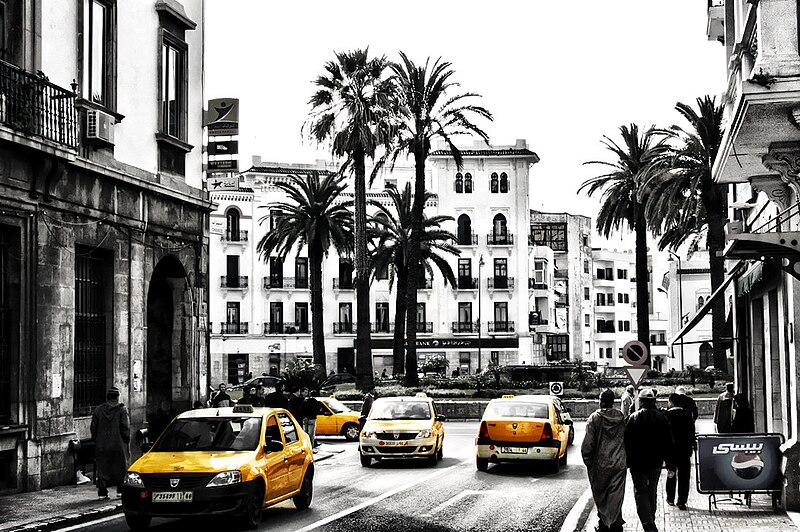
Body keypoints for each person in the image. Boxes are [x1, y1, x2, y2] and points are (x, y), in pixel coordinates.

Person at [625, 388, 673, 532]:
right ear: (653, 401)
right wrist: (670, 464)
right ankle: (650, 518)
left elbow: (627, 442)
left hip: (637, 464)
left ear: (641, 401)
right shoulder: (662, 418)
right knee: (652, 491)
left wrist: (627, 461)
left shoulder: (633, 418)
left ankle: (647, 523)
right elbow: (668, 443)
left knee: (640, 492)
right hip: (655, 462)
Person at [582, 389, 627, 532]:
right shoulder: (621, 417)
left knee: (601, 494)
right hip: (619, 462)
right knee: (616, 494)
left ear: (601, 401)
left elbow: (587, 444)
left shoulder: (594, 418)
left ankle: (604, 523)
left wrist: (588, 461)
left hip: (600, 464)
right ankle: (615, 523)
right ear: (613, 402)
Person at [91, 387, 130, 499]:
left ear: (107, 398)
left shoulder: (98, 410)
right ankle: (120, 491)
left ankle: (102, 492)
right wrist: (126, 440)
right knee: (120, 467)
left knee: (103, 467)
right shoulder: (122, 410)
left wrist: (96, 440)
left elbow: (93, 427)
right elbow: (125, 427)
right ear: (117, 397)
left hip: (102, 445)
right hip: (118, 444)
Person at [664, 393, 695, 511]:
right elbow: (692, 434)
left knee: (671, 473)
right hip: (684, 451)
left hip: (671, 451)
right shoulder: (688, 415)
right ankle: (682, 500)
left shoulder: (667, 415)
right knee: (684, 476)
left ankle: (670, 498)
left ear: (671, 402)